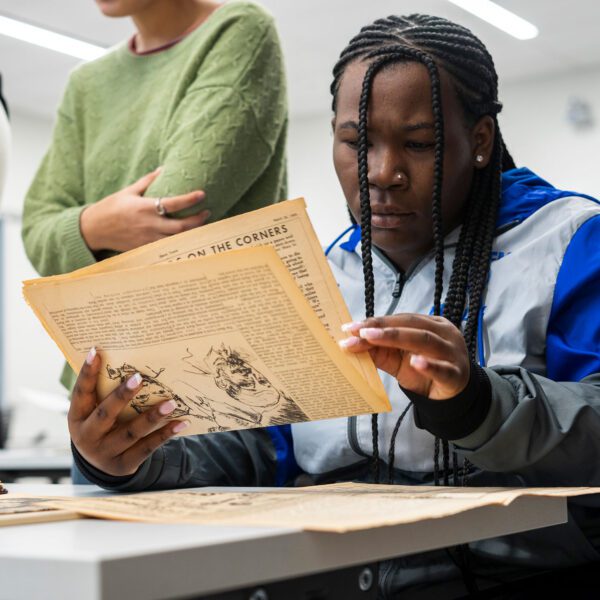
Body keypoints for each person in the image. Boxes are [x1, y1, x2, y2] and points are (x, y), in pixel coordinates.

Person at [67, 13, 600, 598]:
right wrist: (131, 457)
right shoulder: (314, 271)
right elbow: (265, 446)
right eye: (356, 142)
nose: (382, 173)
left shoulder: (571, 241)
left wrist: (477, 402)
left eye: (420, 144)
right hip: (320, 576)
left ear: (478, 142)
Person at [21, 0, 288, 392]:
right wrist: (93, 226)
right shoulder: (86, 83)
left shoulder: (239, 29)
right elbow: (34, 228)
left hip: (222, 381)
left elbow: (181, 207)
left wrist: (77, 241)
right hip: (103, 380)